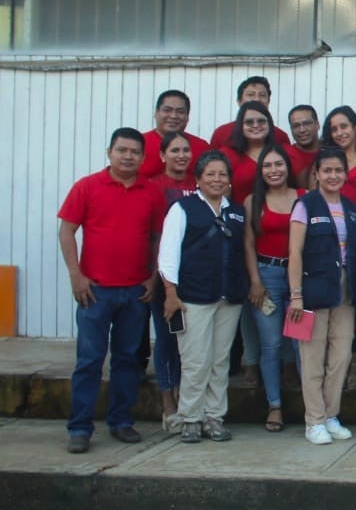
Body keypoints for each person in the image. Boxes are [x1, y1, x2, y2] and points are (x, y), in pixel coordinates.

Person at [59, 128, 166, 454]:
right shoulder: (88, 186)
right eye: (122, 150)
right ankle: (80, 428)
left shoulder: (151, 192)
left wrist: (153, 278)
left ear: (143, 157)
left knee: (127, 360)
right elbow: (66, 231)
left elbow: (159, 237)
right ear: (110, 152)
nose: (129, 156)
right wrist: (76, 276)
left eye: (135, 152)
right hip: (96, 292)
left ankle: (121, 421)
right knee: (89, 360)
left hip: (135, 292)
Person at [158, 150, 247, 444]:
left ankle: (214, 416)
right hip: (193, 297)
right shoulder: (183, 209)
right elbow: (168, 254)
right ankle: (191, 418)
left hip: (229, 298)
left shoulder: (235, 211)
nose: (217, 179)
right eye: (210, 174)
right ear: (198, 179)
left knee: (220, 360)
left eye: (223, 174)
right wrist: (170, 292)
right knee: (195, 359)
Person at [287, 147, 356, 446]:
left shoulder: (350, 206)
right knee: (312, 357)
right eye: (327, 170)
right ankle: (314, 420)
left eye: (338, 170)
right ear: (316, 174)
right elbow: (294, 252)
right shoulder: (305, 205)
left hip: (344, 288)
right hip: (311, 291)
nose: (333, 176)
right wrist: (295, 296)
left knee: (340, 356)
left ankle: (331, 415)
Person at [242, 146, 304, 433]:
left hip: (298, 280)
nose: (274, 170)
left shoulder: (303, 199)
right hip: (266, 277)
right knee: (271, 345)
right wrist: (255, 281)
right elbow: (249, 245)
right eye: (267, 166)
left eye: (279, 164)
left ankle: (309, 405)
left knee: (300, 342)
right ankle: (275, 405)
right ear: (261, 171)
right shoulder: (252, 201)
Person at [147, 130, 197, 425]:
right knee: (167, 340)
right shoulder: (154, 187)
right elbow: (155, 237)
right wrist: (160, 280)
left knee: (190, 343)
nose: (181, 156)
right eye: (175, 151)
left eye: (186, 150)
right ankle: (168, 403)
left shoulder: (198, 184)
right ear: (163, 155)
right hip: (165, 279)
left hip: (195, 278)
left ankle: (186, 398)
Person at [221, 101, 299, 204]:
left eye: (261, 121)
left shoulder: (287, 152)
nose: (256, 125)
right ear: (240, 125)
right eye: (249, 122)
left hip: (283, 216)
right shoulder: (226, 155)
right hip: (240, 216)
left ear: (270, 124)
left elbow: (300, 186)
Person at [139, 90, 210, 180]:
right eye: (167, 110)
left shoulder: (201, 147)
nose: (173, 116)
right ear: (156, 113)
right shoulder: (139, 144)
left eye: (180, 112)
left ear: (187, 117)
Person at [209, 76, 291, 148]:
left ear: (268, 102)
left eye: (262, 95)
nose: (257, 99)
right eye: (251, 95)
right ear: (239, 101)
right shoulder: (221, 134)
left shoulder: (280, 136)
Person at [321, 105, 356, 209]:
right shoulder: (322, 159)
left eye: (344, 126)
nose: (339, 133)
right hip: (330, 218)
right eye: (334, 129)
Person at [288, 105, 322, 176]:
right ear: (291, 129)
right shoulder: (287, 155)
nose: (302, 130)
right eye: (296, 126)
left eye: (307, 124)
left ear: (317, 125)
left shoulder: (331, 151)